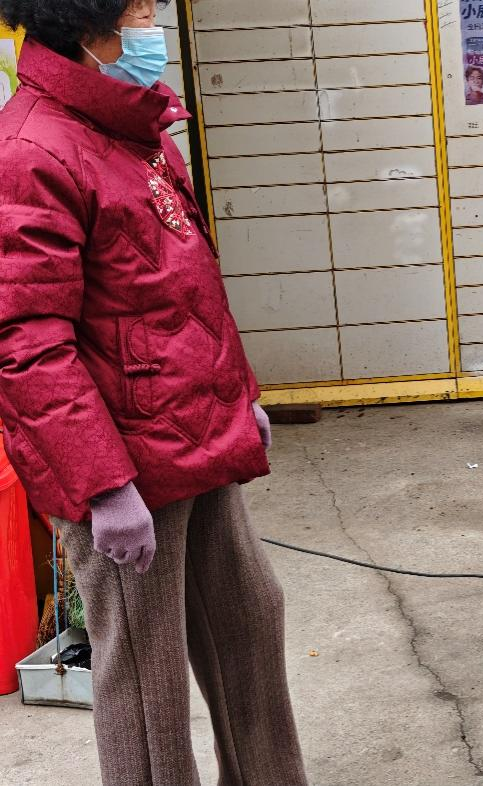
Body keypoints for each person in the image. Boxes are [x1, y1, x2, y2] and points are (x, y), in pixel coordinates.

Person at [0, 2, 308, 784]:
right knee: (147, 679)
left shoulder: (133, 128)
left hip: (195, 433)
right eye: (139, 6)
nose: (152, 20)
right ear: (86, 21)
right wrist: (103, 488)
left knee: (247, 620)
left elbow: (183, 291)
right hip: (124, 462)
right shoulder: (31, 150)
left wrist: (242, 398)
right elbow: (25, 341)